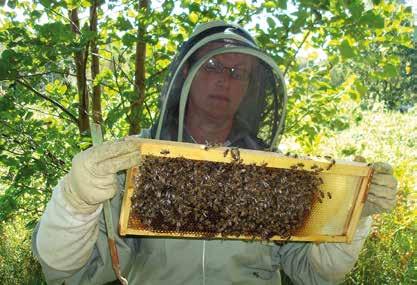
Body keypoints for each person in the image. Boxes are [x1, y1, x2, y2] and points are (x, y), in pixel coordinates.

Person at [32, 21, 398, 285]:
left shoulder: (276, 172)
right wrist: (74, 202)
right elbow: (66, 274)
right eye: (212, 66)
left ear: (250, 89)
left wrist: (352, 218)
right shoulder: (133, 159)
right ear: (187, 72)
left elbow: (316, 274)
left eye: (239, 73)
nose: (225, 79)